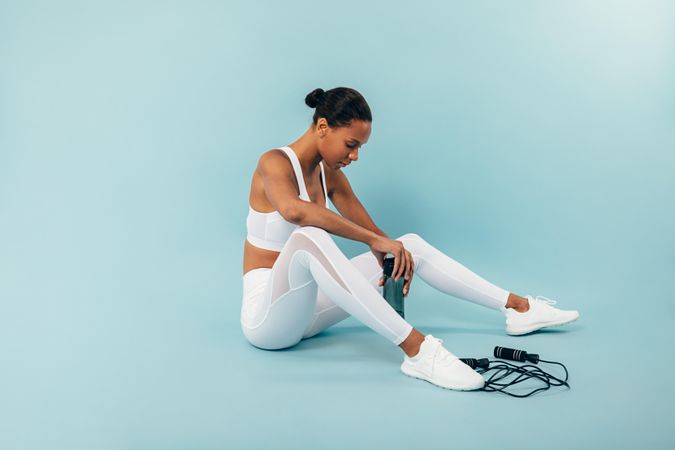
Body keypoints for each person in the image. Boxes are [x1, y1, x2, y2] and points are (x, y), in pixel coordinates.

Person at [241, 87, 579, 391]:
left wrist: (389, 250)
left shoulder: (329, 173)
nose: (355, 155)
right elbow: (294, 212)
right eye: (351, 144)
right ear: (323, 127)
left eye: (359, 147)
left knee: (409, 245)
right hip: (267, 320)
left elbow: (372, 232)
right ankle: (419, 351)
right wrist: (375, 242)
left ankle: (517, 308)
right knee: (309, 237)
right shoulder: (273, 163)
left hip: (309, 314)